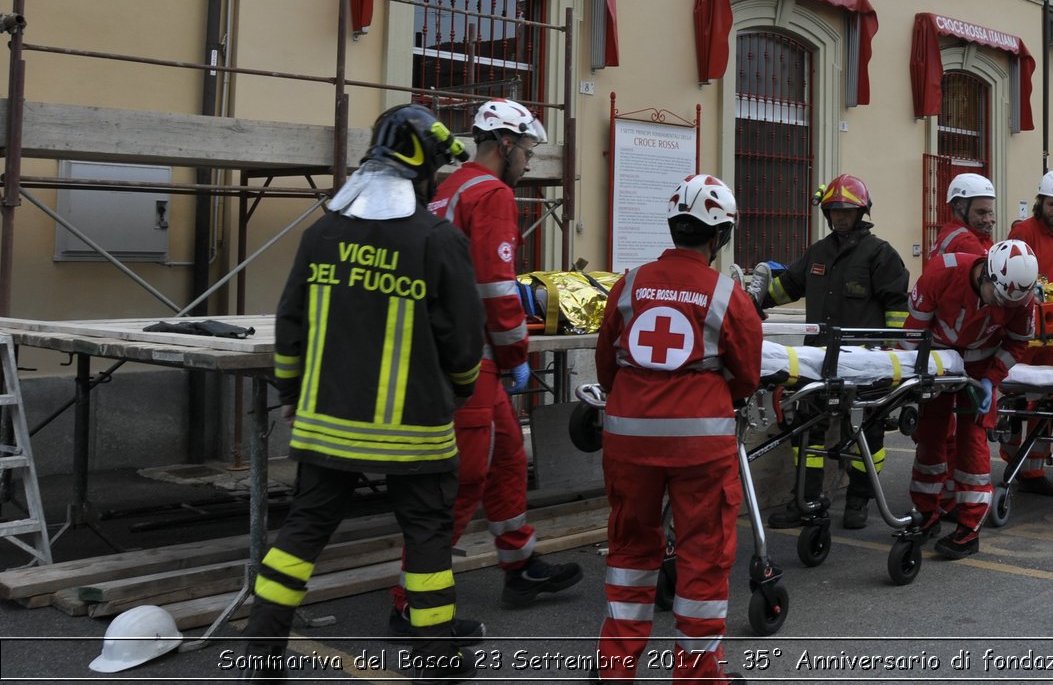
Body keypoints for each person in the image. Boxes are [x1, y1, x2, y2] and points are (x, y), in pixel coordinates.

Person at [239, 105, 485, 682]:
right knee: (426, 539)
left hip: (325, 424)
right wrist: (461, 392)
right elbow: (464, 341)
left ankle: (258, 656)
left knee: (302, 531)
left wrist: (295, 392)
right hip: (415, 429)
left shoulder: (322, 232)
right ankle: (435, 661)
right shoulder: (437, 239)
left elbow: (290, 326)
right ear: (421, 168)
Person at [390, 99, 580, 629]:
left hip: (451, 352)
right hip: (467, 359)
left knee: (507, 460)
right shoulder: (493, 194)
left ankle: (520, 565)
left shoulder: (448, 188)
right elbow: (498, 290)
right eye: (527, 150)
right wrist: (517, 352)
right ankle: (411, 600)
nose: (530, 161)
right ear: (505, 146)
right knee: (464, 479)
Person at [594, 174, 763, 683]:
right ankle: (697, 675)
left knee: (629, 551)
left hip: (627, 437)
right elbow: (746, 376)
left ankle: (615, 669)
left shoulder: (628, 283)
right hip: (699, 444)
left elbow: (607, 365)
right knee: (703, 556)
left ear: (674, 227)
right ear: (720, 237)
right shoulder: (727, 295)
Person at [759, 174, 910, 529]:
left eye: (846, 211)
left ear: (861, 213)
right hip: (818, 362)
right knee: (807, 428)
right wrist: (753, 300)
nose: (840, 217)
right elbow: (788, 286)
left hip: (864, 364)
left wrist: (888, 354)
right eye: (834, 211)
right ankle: (807, 500)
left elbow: (897, 307)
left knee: (865, 434)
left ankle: (859, 498)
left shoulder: (880, 254)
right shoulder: (819, 251)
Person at [903, 240, 1038, 559]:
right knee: (931, 435)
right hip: (936, 361)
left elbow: (1018, 344)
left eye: (1010, 304)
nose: (1001, 309)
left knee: (973, 441)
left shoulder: (1020, 297)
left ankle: (968, 528)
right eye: (998, 298)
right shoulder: (942, 272)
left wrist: (992, 380)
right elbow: (912, 334)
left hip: (980, 368)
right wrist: (912, 380)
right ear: (986, 275)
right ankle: (926, 513)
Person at [1000, 171, 1053, 497]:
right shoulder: (1023, 231)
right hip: (1024, 326)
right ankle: (1012, 459)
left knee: (1049, 395)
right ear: (1040, 201)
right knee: (1017, 391)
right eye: (1051, 203)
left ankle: (1033, 470)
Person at [931, 172, 996, 258]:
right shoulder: (964, 241)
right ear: (959, 207)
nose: (988, 219)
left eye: (990, 212)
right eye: (981, 212)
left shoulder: (978, 237)